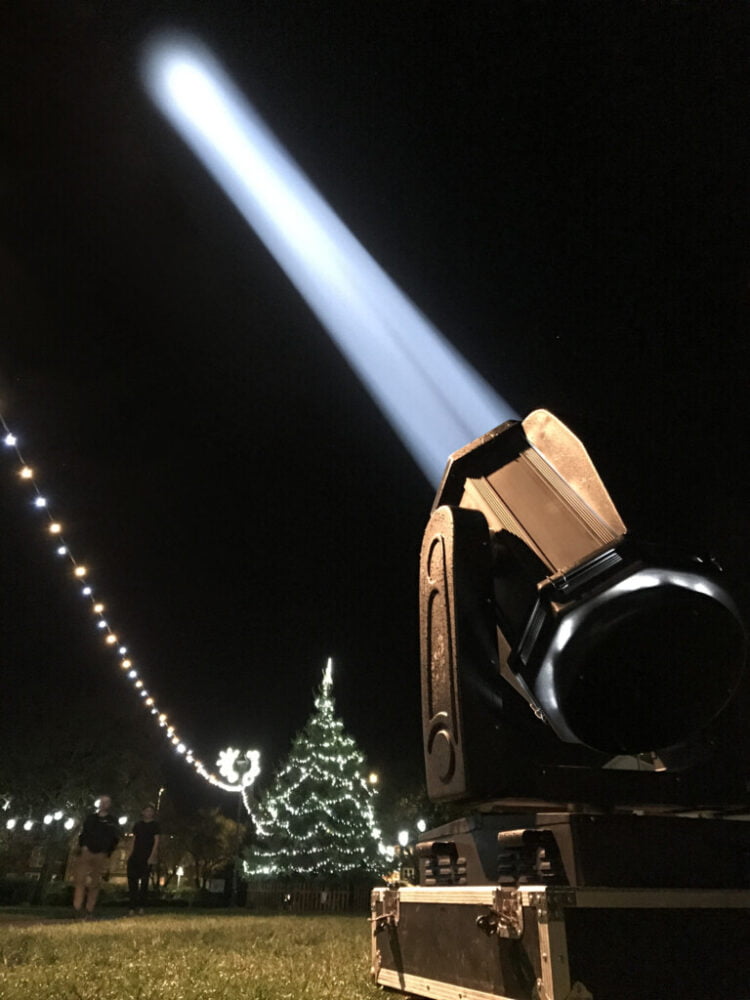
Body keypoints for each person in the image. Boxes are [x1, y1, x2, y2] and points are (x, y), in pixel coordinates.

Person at [73, 795, 120, 918]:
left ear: (109, 805)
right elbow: (84, 833)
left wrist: (107, 851)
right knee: (80, 880)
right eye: (102, 802)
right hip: (87, 851)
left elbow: (115, 837)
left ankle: (89, 909)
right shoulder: (91, 818)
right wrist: (83, 846)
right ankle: (77, 908)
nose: (104, 804)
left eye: (106, 802)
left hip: (101, 853)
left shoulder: (112, 821)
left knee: (95, 882)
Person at [127, 804, 160, 915]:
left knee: (144, 882)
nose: (149, 813)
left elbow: (156, 841)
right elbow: (134, 840)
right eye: (147, 810)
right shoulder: (137, 825)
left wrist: (152, 855)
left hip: (147, 856)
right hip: (135, 855)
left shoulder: (155, 825)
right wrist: (129, 854)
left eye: (151, 811)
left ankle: (141, 906)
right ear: (142, 812)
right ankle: (132, 907)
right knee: (132, 882)